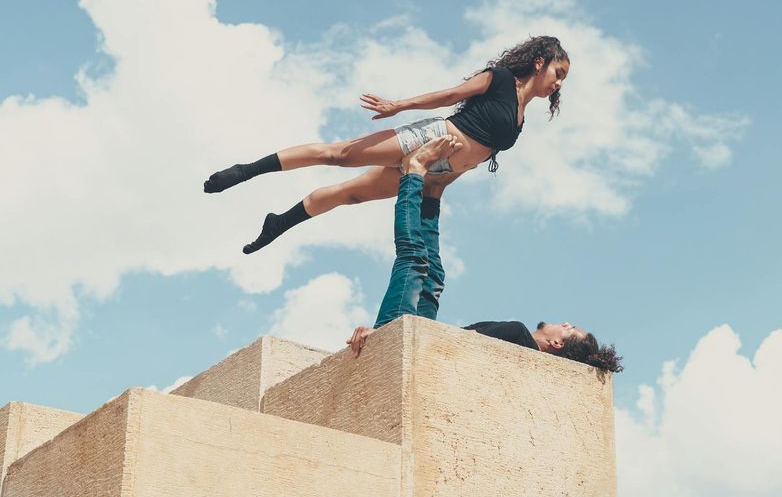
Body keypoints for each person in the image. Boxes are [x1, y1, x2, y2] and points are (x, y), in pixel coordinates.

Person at [203, 36, 570, 254]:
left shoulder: (521, 120)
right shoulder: (501, 79)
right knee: (339, 154)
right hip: (429, 137)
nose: (558, 83)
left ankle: (279, 223)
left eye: (563, 79)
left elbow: (476, 159)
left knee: (351, 194)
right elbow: (449, 95)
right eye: (558, 73)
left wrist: (437, 189)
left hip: (434, 169)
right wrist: (399, 106)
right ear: (540, 62)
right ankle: (245, 171)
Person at [345, 139, 623, 374]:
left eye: (569, 329)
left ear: (558, 345)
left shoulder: (518, 334)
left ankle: (414, 173)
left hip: (417, 347)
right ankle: (434, 191)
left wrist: (384, 336)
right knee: (433, 277)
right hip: (426, 345)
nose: (565, 323)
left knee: (414, 257)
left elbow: (457, 343)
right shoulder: (524, 355)